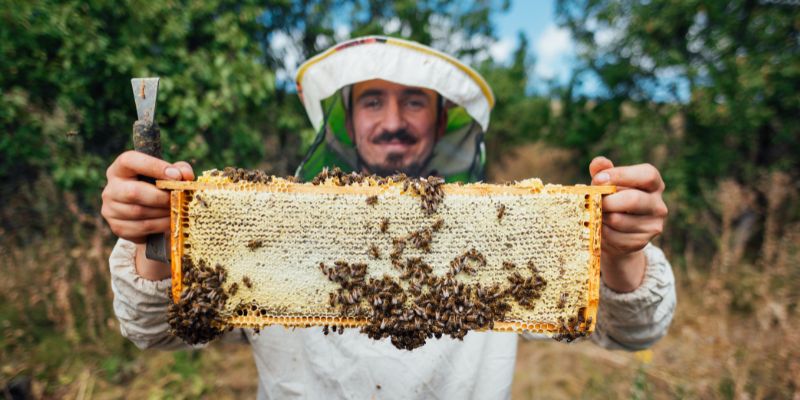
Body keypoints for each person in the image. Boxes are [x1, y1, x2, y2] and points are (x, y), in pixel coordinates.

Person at [102, 36, 675, 399]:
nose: (393, 120)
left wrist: (622, 253)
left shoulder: (497, 232)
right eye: (373, 100)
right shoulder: (268, 228)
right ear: (347, 120)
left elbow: (634, 332)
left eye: (414, 100)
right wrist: (154, 234)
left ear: (443, 118)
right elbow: (153, 332)